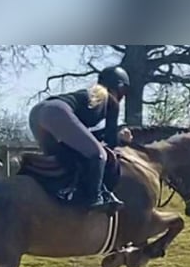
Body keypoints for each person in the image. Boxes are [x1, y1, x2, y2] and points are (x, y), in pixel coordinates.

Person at [28, 65, 133, 213]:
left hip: (37, 114)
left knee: (63, 159)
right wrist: (121, 136)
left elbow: (81, 134)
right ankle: (93, 199)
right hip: (55, 112)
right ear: (120, 88)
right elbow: (110, 141)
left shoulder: (92, 94)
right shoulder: (109, 100)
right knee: (99, 154)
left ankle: (63, 192)